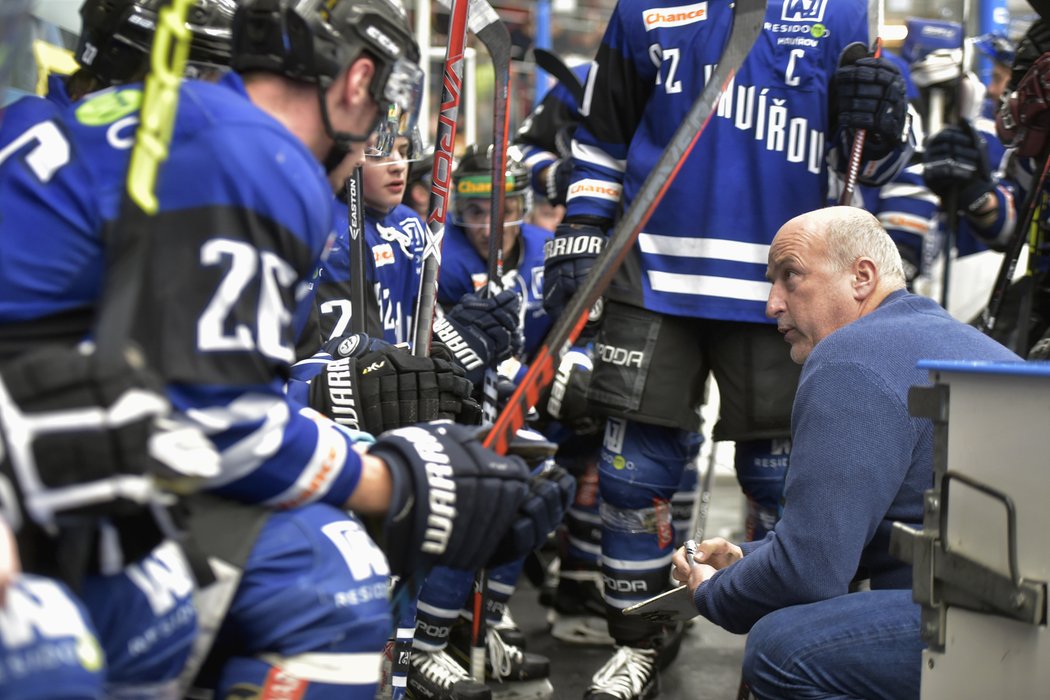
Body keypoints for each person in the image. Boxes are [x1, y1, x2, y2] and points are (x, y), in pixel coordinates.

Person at [0, 1, 571, 698]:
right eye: (375, 134)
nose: (370, 155)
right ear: (358, 83)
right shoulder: (258, 154)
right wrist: (403, 486)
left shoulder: (117, 124)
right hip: (37, 481)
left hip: (41, 449)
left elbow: (192, 399)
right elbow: (217, 427)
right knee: (331, 577)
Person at [543, 2, 913, 697]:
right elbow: (602, 136)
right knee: (629, 476)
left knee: (787, 485)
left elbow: (884, 156)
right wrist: (584, 223)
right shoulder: (642, 8)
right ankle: (637, 638)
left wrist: (887, 121)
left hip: (788, 286)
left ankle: (788, 649)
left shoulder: (845, 10)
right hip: (650, 274)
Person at [668, 206, 1020, 699]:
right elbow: (844, 539)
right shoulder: (961, 340)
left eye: (790, 276)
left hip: (1000, 623)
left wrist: (712, 593)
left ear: (861, 277)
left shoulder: (849, 358)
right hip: (1018, 607)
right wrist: (745, 559)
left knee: (782, 649)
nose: (772, 303)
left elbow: (809, 574)